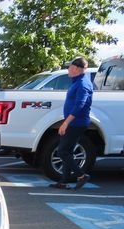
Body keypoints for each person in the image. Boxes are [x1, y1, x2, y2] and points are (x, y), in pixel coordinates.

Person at [49, 56, 93, 190]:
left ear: (76, 69)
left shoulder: (82, 84)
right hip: (74, 122)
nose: (68, 69)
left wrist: (66, 123)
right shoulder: (78, 81)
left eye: (70, 67)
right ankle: (63, 181)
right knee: (67, 151)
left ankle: (81, 175)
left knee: (62, 151)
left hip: (77, 123)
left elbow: (80, 105)